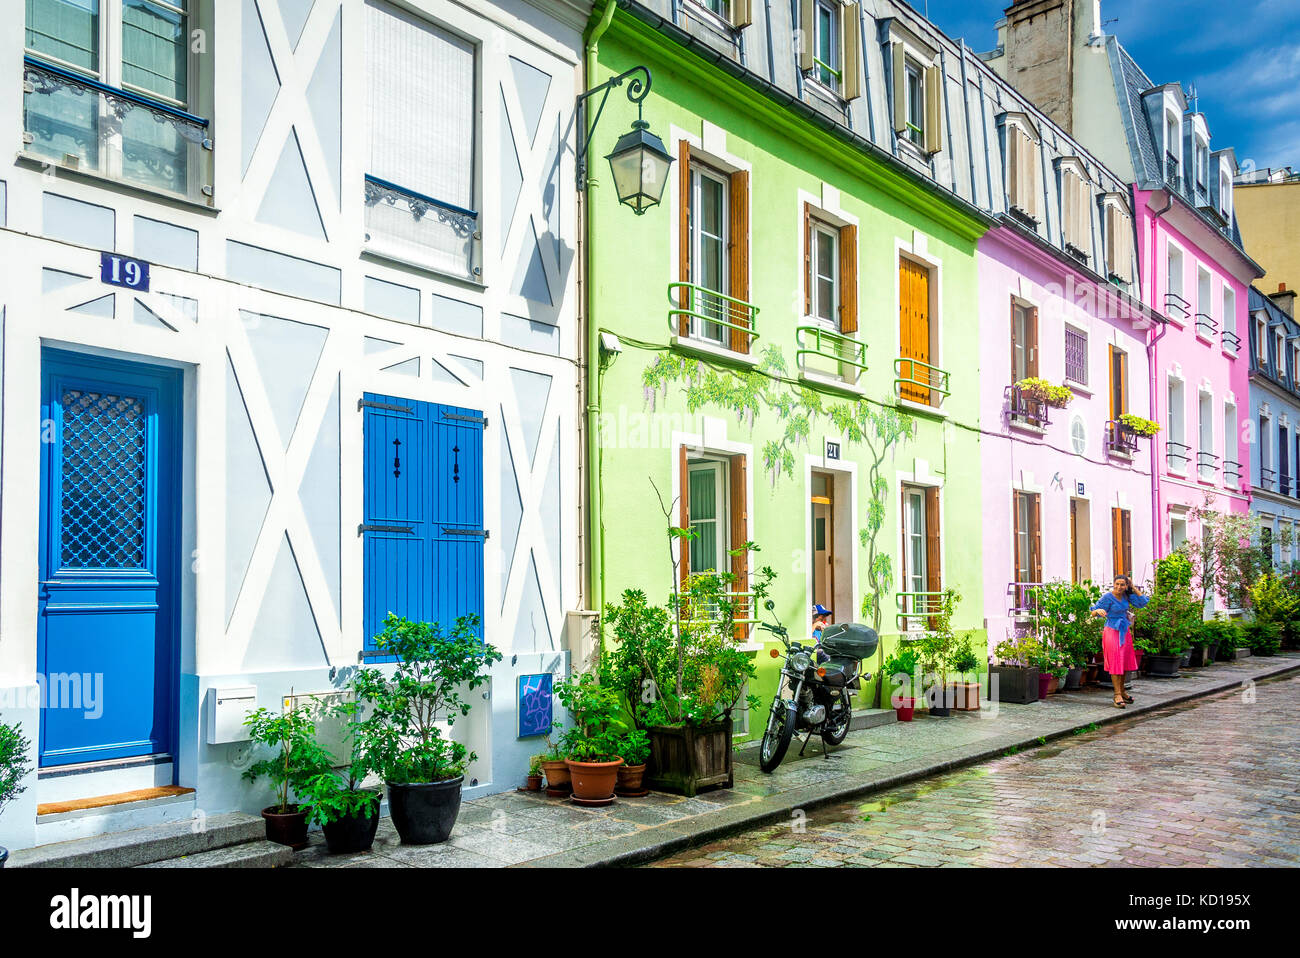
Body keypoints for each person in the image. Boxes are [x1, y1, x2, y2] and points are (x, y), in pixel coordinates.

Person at [1090, 574, 1148, 708]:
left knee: (1125, 661)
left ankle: (1122, 691)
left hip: (1124, 631)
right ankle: (1117, 694)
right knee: (1116, 661)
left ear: (1126, 586)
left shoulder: (1126, 596)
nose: (1119, 587)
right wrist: (1098, 611)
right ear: (1114, 584)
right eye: (1117, 584)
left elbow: (1143, 602)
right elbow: (1092, 612)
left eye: (1123, 584)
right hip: (1112, 631)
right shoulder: (1107, 597)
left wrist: (1133, 587)